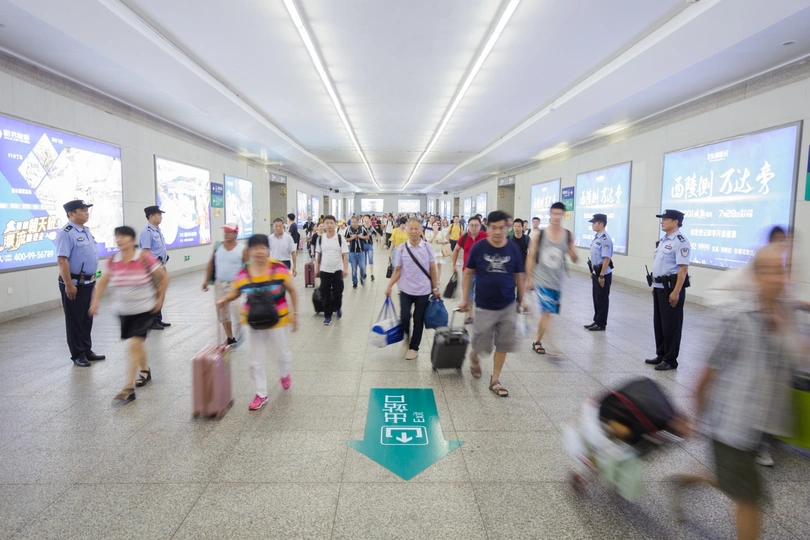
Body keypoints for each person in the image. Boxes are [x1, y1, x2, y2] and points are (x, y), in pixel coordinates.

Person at [695, 243, 807, 540]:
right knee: (750, 501)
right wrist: (698, 416)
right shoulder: (735, 316)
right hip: (729, 424)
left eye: (780, 270)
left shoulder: (786, 313)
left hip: (760, 426)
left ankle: (689, 480)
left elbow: (796, 356)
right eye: (767, 271)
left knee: (737, 484)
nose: (776, 277)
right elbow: (708, 371)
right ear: (754, 276)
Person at [217, 234, 299, 411]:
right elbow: (237, 291)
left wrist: (296, 314)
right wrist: (226, 299)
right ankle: (261, 394)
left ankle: (284, 373)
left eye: (263, 248)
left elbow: (292, 290)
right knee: (254, 359)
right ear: (250, 251)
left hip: (278, 320)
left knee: (281, 353)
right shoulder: (244, 271)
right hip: (253, 321)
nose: (259, 251)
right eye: (255, 248)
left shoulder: (278, 268)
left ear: (268, 250)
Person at [89, 226, 168, 406]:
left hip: (145, 309)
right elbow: (103, 282)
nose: (119, 240)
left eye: (123, 236)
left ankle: (128, 388)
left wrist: (160, 299)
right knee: (137, 344)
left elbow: (163, 276)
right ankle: (145, 370)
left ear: (132, 240)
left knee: (133, 344)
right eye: (117, 237)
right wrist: (95, 302)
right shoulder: (113, 260)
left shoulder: (143, 257)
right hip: (124, 311)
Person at [458, 211, 525, 396]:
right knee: (482, 344)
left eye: (501, 228)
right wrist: (465, 299)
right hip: (484, 305)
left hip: (507, 305)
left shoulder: (513, 249)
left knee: (503, 344)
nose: (497, 232)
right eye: (493, 228)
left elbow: (519, 275)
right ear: (487, 228)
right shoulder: (479, 248)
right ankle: (474, 356)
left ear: (507, 228)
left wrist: (522, 299)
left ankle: (495, 380)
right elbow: (468, 273)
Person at [55, 200, 105, 367]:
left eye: (86, 210)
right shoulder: (66, 233)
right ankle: (78, 354)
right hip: (74, 284)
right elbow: (62, 260)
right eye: (82, 210)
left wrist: (93, 277)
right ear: (71, 214)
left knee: (86, 319)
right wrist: (69, 285)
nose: (86, 212)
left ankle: (87, 349)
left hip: (88, 282)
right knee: (75, 320)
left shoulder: (86, 231)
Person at [525, 202, 578, 355]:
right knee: (547, 311)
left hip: (556, 280)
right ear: (550, 215)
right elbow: (531, 257)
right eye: (554, 213)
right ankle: (553, 347)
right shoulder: (540, 235)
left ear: (563, 215)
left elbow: (575, 259)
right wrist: (529, 278)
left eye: (559, 214)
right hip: (541, 278)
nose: (556, 217)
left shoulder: (568, 235)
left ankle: (537, 340)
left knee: (547, 312)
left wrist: (571, 252)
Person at [386, 218, 440, 360]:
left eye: (417, 229)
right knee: (404, 317)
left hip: (423, 290)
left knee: (418, 319)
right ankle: (406, 338)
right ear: (407, 230)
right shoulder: (401, 248)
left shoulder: (427, 247)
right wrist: (389, 286)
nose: (414, 231)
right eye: (411, 229)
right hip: (405, 290)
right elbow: (398, 270)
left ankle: (414, 347)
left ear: (421, 230)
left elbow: (432, 269)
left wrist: (435, 287)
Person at [646, 209, 690, 371]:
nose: (662, 222)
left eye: (665, 219)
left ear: (675, 222)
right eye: (662, 219)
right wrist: (655, 285)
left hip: (671, 288)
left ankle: (670, 360)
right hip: (659, 287)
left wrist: (676, 292)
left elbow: (683, 269)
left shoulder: (681, 241)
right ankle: (661, 354)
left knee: (671, 325)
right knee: (659, 323)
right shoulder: (664, 240)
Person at [202, 223, 248, 346]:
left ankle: (245, 331)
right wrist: (206, 280)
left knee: (238, 310)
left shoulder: (242, 249)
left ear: (236, 233)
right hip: (219, 283)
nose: (226, 234)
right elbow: (210, 263)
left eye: (229, 231)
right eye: (225, 231)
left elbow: (248, 267)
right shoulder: (218, 246)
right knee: (222, 313)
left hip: (235, 285)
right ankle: (230, 337)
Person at [450, 216, 488, 325]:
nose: (474, 227)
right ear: (468, 226)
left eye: (476, 225)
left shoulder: (485, 236)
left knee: (483, 294)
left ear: (480, 226)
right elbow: (456, 250)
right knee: (468, 295)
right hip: (468, 272)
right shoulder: (464, 238)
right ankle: (470, 316)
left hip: (483, 272)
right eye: (472, 225)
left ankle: (482, 315)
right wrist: (453, 264)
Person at [139, 205, 171, 330]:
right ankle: (151, 321)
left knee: (160, 293)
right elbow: (145, 252)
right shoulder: (147, 232)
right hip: (153, 269)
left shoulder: (157, 230)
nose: (161, 217)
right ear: (151, 216)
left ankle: (158, 319)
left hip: (161, 265)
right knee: (154, 294)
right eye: (159, 215)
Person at [315, 215, 349, 325]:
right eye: (327, 223)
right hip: (324, 271)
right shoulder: (320, 239)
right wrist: (317, 269)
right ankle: (327, 315)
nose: (329, 225)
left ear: (335, 224)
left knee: (337, 294)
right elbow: (319, 255)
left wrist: (345, 269)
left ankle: (338, 307)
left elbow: (345, 255)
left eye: (331, 223)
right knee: (325, 295)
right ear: (324, 225)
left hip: (337, 271)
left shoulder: (340, 238)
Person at [585, 213, 613, 332]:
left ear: (601, 224)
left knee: (602, 299)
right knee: (596, 297)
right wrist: (593, 272)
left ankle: (601, 324)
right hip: (596, 272)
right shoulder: (597, 237)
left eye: (594, 223)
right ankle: (596, 320)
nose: (592, 225)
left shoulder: (605, 239)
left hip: (603, 274)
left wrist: (601, 275)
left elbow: (606, 259)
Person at [345, 216, 368, 289]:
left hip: (361, 252)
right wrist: (352, 238)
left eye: (355, 222)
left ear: (358, 222)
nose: (353, 224)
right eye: (352, 222)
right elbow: (345, 239)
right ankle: (355, 282)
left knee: (362, 266)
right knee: (354, 269)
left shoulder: (362, 228)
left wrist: (361, 237)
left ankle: (362, 277)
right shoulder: (348, 229)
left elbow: (367, 237)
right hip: (352, 252)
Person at [362, 215, 377, 281]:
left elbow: (375, 235)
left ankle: (372, 274)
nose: (365, 219)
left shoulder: (372, 228)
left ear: (369, 219)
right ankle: (364, 273)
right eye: (364, 218)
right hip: (363, 245)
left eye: (366, 218)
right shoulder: (361, 227)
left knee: (371, 259)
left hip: (370, 245)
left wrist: (376, 237)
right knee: (364, 260)